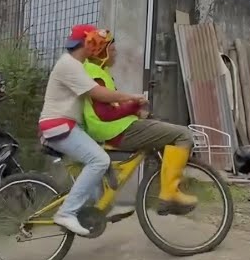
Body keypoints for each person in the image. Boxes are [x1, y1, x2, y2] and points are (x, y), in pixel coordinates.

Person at [38, 24, 146, 236]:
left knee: (98, 159)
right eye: (95, 41)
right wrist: (132, 97)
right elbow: (99, 94)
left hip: (64, 126)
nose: (99, 46)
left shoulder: (78, 64)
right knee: (100, 160)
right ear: (87, 42)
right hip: (60, 127)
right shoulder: (70, 65)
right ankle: (66, 212)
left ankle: (99, 207)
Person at [79, 28, 196, 212]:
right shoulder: (95, 74)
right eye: (113, 49)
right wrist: (133, 105)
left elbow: (111, 108)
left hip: (115, 128)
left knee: (161, 130)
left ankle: (166, 189)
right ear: (102, 51)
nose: (115, 52)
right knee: (183, 135)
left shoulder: (97, 71)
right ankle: (169, 194)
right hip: (116, 130)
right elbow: (105, 114)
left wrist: (135, 109)